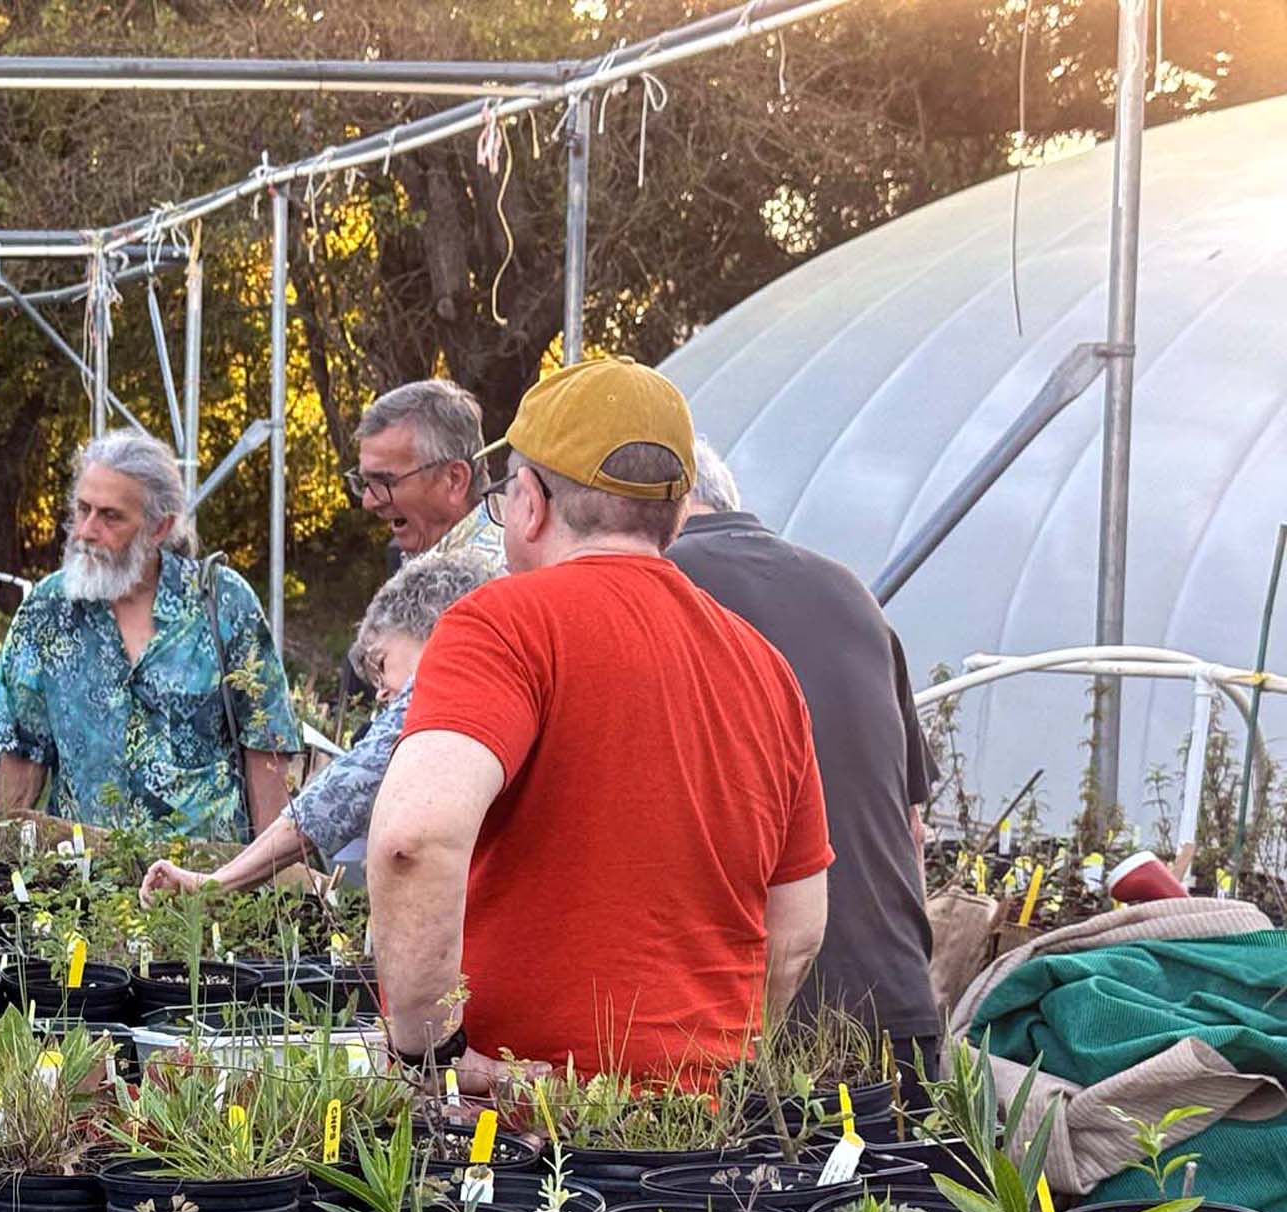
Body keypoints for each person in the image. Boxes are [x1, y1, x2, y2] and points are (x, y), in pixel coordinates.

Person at [368, 358, 832, 1087]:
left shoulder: (502, 625)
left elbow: (413, 840)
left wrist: (429, 1054)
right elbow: (798, 932)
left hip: (524, 1119)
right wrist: (708, 1068)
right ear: (674, 517)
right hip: (701, 1125)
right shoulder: (766, 668)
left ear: (529, 503)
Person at [669, 440, 941, 1068]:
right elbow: (911, 832)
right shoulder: (850, 592)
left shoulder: (661, 588)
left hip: (750, 1034)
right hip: (898, 1013)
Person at [0, 428, 301, 840]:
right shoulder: (49, 609)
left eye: (110, 516)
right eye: (82, 509)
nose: (86, 531)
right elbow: (23, 749)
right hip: (82, 871)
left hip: (207, 873)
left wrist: (271, 871)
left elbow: (266, 744)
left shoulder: (222, 602)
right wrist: (3, 858)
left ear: (159, 528)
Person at [138, 550, 499, 899]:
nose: (380, 694)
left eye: (381, 664)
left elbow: (341, 793)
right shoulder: (498, 668)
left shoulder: (443, 679)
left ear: (427, 624)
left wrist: (213, 883)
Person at [349, 378, 507, 568]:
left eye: (385, 482)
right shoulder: (427, 559)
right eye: (366, 482)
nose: (368, 502)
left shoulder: (499, 578)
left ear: (454, 480)